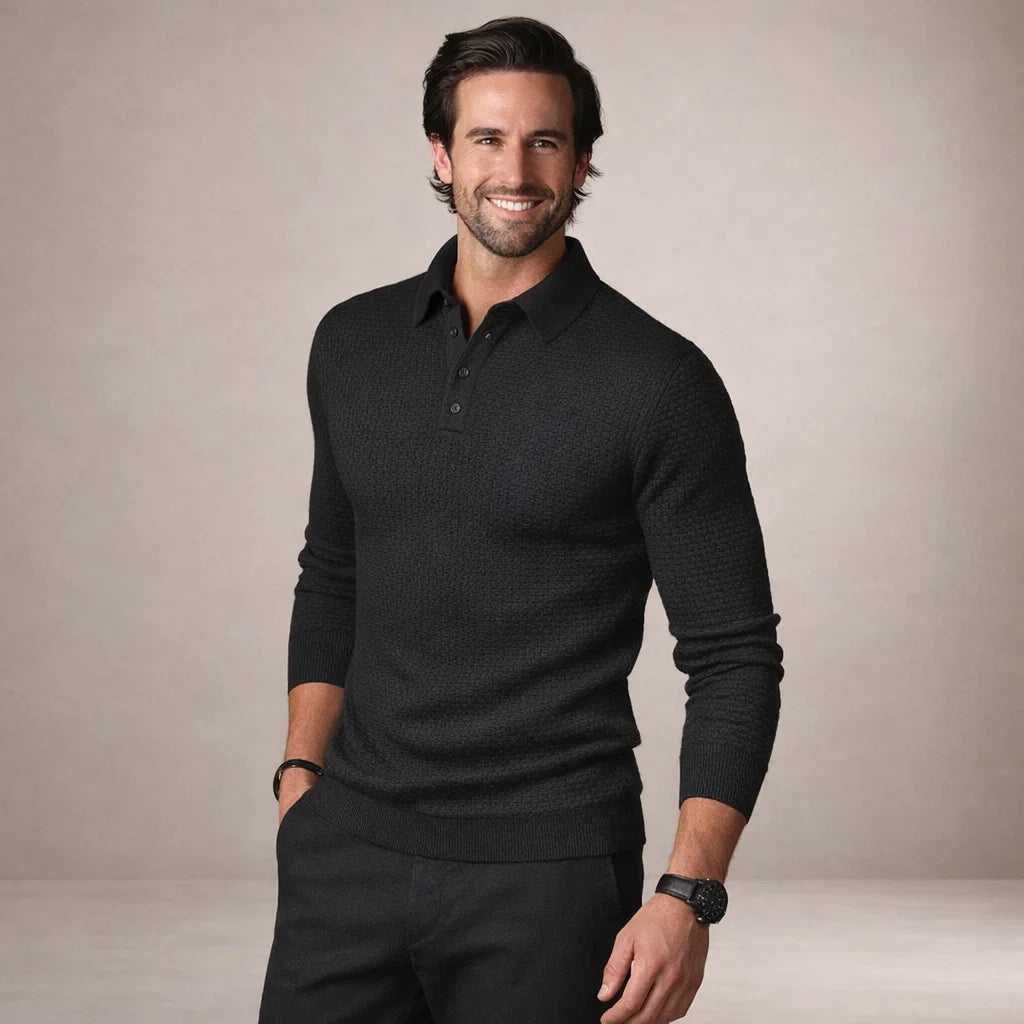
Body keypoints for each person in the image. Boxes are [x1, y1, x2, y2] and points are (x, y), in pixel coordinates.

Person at [258, 15, 784, 1024]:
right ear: (441, 154)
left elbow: (734, 657)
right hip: (344, 858)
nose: (515, 169)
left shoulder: (658, 380)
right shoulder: (352, 342)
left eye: (545, 141)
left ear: (581, 163)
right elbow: (333, 572)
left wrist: (688, 894)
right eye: (487, 138)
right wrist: (300, 777)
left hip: (549, 874)